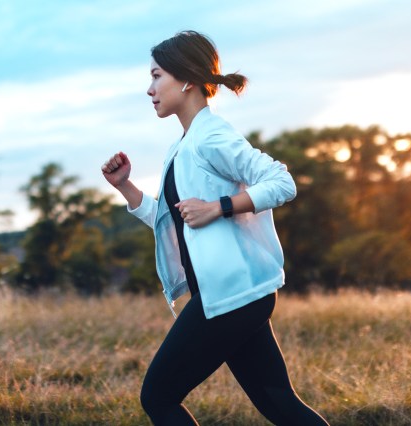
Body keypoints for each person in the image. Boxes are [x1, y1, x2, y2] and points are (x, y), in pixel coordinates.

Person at [101, 30, 329, 426]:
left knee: (158, 397)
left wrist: (219, 208)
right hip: (235, 295)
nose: (150, 89)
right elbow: (173, 218)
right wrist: (126, 188)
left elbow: (281, 182)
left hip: (231, 296)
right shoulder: (185, 144)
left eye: (157, 77)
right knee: (280, 404)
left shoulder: (212, 136)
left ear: (186, 79)